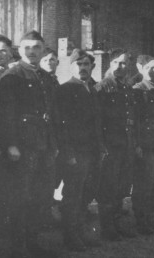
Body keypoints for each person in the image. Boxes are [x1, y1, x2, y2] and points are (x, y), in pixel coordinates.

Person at [0, 30, 59, 257]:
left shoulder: (45, 77)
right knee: (21, 197)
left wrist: (54, 143)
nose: (31, 52)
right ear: (19, 49)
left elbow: (51, 113)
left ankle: (33, 243)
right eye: (27, 47)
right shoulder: (13, 76)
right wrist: (11, 144)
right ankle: (17, 247)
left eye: (36, 48)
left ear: (43, 50)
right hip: (23, 146)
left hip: (45, 145)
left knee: (41, 196)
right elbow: (7, 114)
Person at [57, 49, 105, 251]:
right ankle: (70, 235)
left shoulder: (91, 89)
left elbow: (96, 123)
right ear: (70, 66)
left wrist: (101, 147)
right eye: (78, 64)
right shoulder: (65, 90)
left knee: (87, 193)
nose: (82, 68)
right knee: (73, 195)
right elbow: (61, 126)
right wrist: (68, 154)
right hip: (76, 153)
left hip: (92, 151)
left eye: (86, 64)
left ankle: (80, 230)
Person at [95, 48, 139, 241]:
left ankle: (116, 222)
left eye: (124, 63)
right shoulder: (102, 87)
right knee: (109, 187)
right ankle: (107, 227)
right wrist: (101, 145)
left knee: (122, 186)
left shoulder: (127, 88)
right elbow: (97, 121)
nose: (121, 67)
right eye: (116, 63)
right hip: (110, 145)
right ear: (110, 64)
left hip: (126, 143)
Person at [131, 55, 154, 235]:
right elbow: (135, 119)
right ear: (140, 69)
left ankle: (150, 217)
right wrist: (137, 143)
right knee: (145, 183)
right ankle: (141, 220)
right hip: (145, 143)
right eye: (149, 68)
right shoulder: (138, 90)